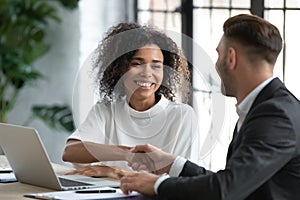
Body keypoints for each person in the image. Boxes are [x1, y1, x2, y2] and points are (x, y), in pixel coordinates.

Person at [119, 14, 300, 199]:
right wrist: (173, 164)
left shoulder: (276, 116)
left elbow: (225, 189)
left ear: (231, 58)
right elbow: (233, 181)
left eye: (219, 54)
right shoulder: (267, 106)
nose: (216, 64)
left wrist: (157, 184)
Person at [62, 22, 200, 178]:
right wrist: (128, 154)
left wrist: (117, 172)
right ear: (120, 67)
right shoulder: (106, 110)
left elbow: (182, 182)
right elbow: (70, 151)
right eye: (137, 64)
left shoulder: (182, 116)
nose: (147, 73)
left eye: (156, 66)